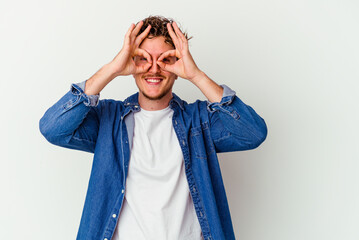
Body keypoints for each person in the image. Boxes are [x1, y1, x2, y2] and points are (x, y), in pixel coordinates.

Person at [39, 16, 267, 240]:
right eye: (143, 58)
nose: (154, 69)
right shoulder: (109, 120)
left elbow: (253, 133)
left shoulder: (200, 121)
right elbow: (53, 128)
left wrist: (196, 75)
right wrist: (112, 69)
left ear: (178, 65)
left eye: (165, 60)